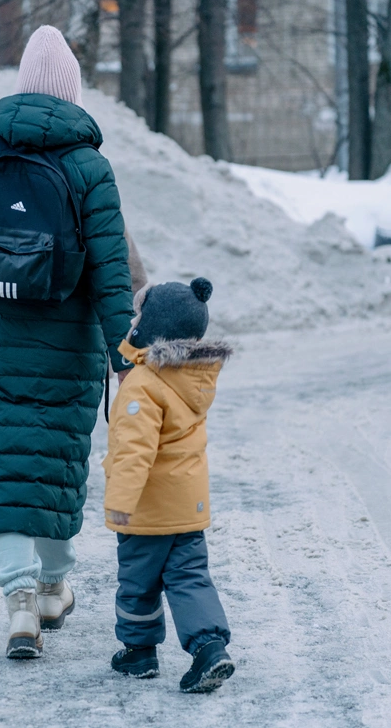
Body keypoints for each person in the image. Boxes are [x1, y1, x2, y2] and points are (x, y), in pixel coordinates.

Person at [0, 25, 134, 659]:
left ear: (20, 88)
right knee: (53, 466)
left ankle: (17, 604)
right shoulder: (89, 167)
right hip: (64, 344)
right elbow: (112, 272)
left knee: (4, 466)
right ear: (71, 95)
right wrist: (122, 351)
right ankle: (52, 587)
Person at [103, 277, 236, 693]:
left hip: (148, 511)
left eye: (140, 315)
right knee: (191, 577)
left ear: (152, 327)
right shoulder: (191, 377)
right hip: (188, 508)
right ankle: (209, 647)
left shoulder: (143, 384)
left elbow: (134, 451)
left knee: (138, 582)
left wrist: (120, 502)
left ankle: (139, 652)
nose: (133, 320)